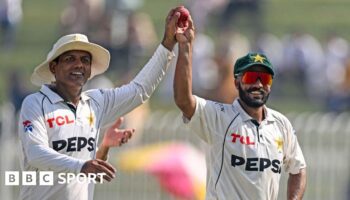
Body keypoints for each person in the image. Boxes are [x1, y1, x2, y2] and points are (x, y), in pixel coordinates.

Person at [18, 6, 185, 200]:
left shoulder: (95, 102)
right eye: (70, 59)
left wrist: (167, 43)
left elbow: (140, 90)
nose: (79, 65)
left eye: (85, 60)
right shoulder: (35, 103)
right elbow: (35, 153)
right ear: (54, 67)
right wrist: (81, 166)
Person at [173, 15, 307, 199]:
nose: (258, 85)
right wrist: (185, 48)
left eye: (265, 79)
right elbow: (183, 100)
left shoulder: (281, 124)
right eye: (251, 78)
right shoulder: (220, 116)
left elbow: (298, 169)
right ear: (236, 82)